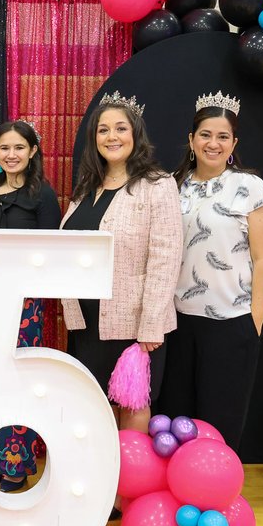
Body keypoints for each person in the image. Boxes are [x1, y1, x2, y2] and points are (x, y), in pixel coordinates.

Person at [160, 91, 263, 452]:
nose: (213, 143)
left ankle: (213, 497)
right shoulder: (170, 186)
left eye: (222, 136)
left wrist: (253, 322)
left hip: (230, 322)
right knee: (174, 419)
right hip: (177, 322)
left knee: (219, 421)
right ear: (191, 140)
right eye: (206, 135)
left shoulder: (250, 187)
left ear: (233, 143)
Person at [61, 91, 182, 435]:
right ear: (93, 138)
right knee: (96, 406)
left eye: (120, 129)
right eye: (103, 130)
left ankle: (128, 486)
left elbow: (166, 256)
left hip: (134, 322)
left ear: (135, 135)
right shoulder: (87, 188)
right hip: (86, 321)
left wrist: (151, 324)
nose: (111, 137)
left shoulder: (158, 185)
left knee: (131, 405)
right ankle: (101, 484)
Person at [0, 119, 61, 492]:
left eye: (18, 148)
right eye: (4, 148)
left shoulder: (43, 195)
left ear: (33, 152)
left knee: (18, 381)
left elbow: (50, 252)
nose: (11, 155)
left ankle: (17, 463)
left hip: (24, 305)